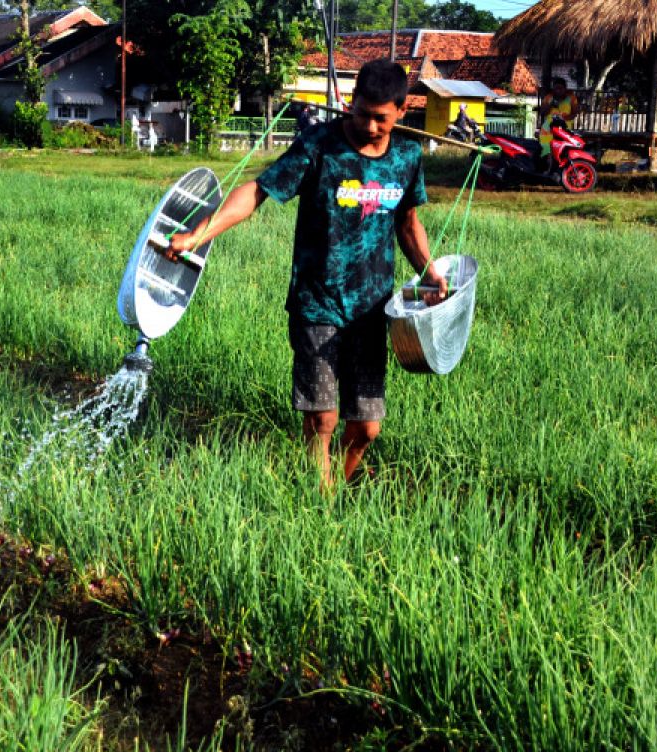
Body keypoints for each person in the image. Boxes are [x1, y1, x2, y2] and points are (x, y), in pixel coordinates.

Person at [165, 59, 448, 489]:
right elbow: (257, 191)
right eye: (363, 113)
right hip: (318, 301)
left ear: (402, 110)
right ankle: (321, 500)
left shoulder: (407, 157)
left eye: (382, 119)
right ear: (350, 102)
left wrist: (429, 273)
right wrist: (198, 235)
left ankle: (341, 486)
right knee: (322, 418)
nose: (370, 126)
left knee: (367, 428)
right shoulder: (319, 145)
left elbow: (407, 225)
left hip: (374, 308)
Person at [539, 77, 580, 148]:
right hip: (549, 128)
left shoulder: (571, 98)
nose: (558, 91)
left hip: (565, 128)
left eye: (560, 88)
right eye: (556, 88)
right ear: (553, 89)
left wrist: (563, 119)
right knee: (547, 148)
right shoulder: (548, 97)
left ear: (565, 89)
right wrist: (550, 105)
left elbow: (574, 113)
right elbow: (542, 112)